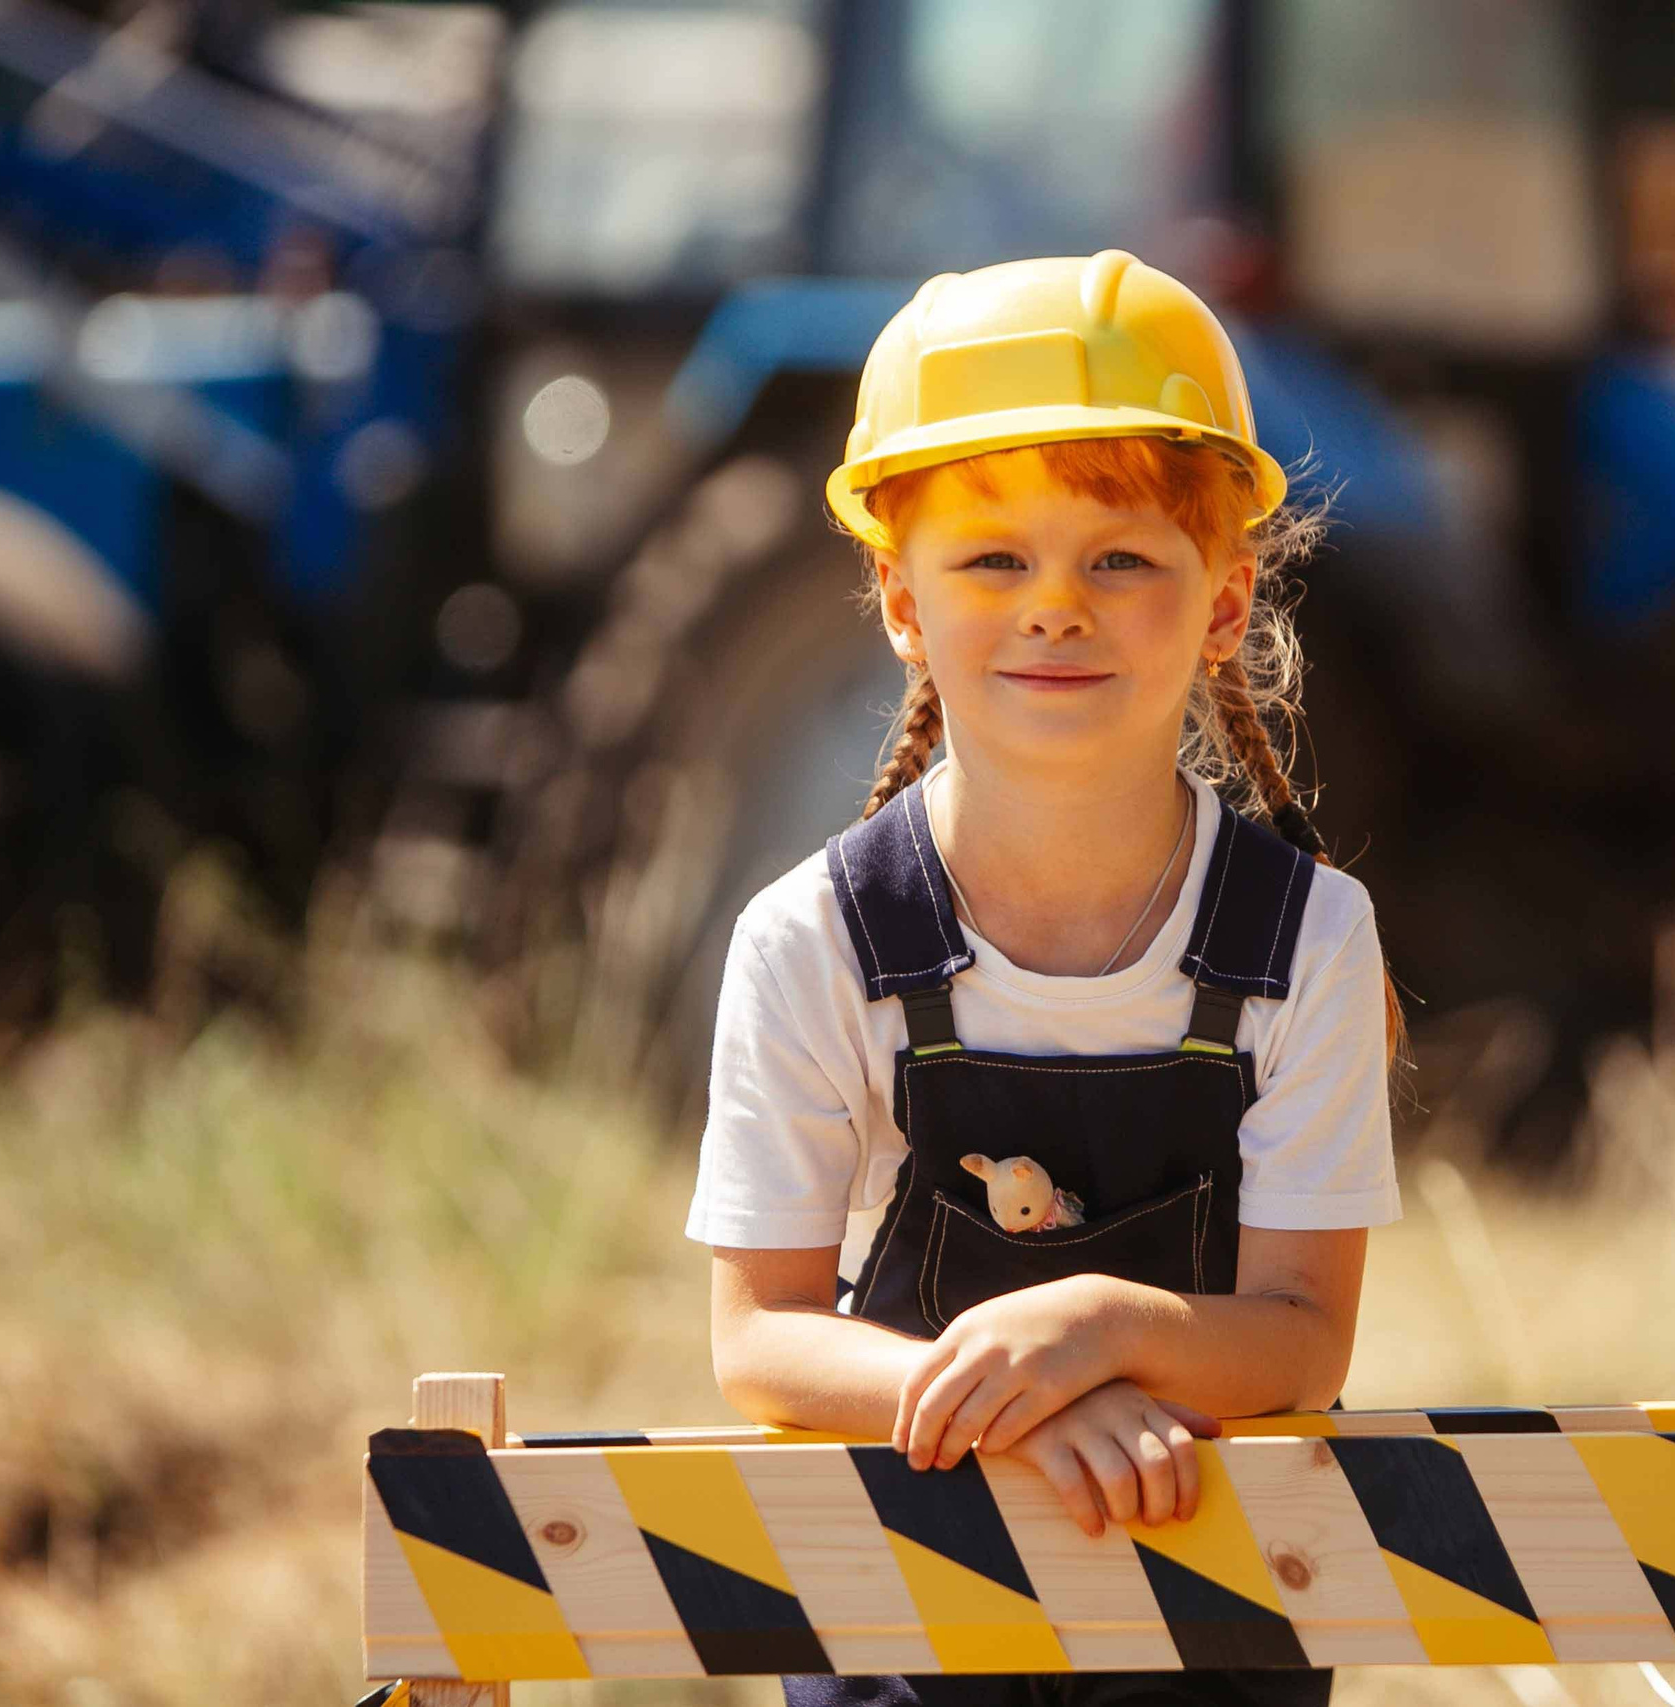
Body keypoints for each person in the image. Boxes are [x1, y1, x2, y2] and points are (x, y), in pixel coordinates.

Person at [685, 250, 1408, 1707]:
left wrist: (1098, 1330)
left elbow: (1304, 1340)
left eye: (1122, 557)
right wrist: (998, 1412)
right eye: (992, 559)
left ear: (1222, 598)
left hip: (1210, 1625)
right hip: (905, 1612)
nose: (1054, 607)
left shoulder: (1308, 941)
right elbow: (758, 1340)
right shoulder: (812, 943)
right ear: (900, 598)